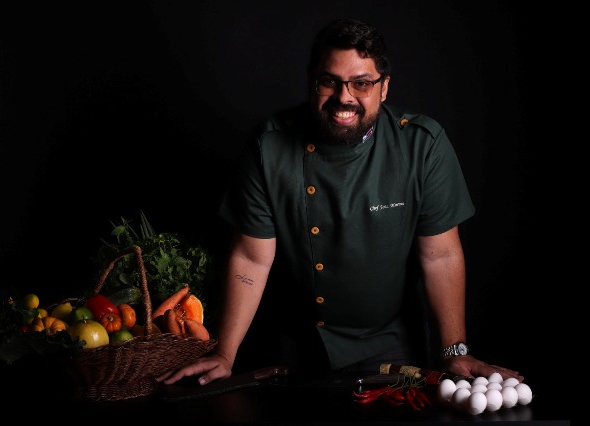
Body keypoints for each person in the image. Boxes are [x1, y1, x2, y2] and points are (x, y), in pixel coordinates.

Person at [159, 17, 524, 386]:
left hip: (388, 344)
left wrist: (454, 352)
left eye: (361, 83)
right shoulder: (269, 146)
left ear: (384, 87)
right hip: (291, 342)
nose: (344, 97)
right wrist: (225, 353)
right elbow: (252, 258)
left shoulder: (422, 146)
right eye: (329, 81)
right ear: (311, 81)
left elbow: (441, 256)